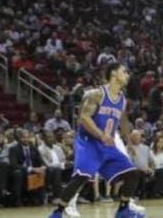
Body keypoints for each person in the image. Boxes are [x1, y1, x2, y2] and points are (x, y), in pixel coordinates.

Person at [47, 63, 145, 218]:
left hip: (107, 144)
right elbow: (84, 118)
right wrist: (101, 135)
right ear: (113, 73)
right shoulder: (97, 94)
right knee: (82, 176)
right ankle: (57, 212)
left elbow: (124, 121)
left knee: (132, 173)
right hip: (89, 142)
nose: (127, 75)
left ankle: (123, 210)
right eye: (124, 71)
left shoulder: (122, 99)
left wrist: (128, 141)